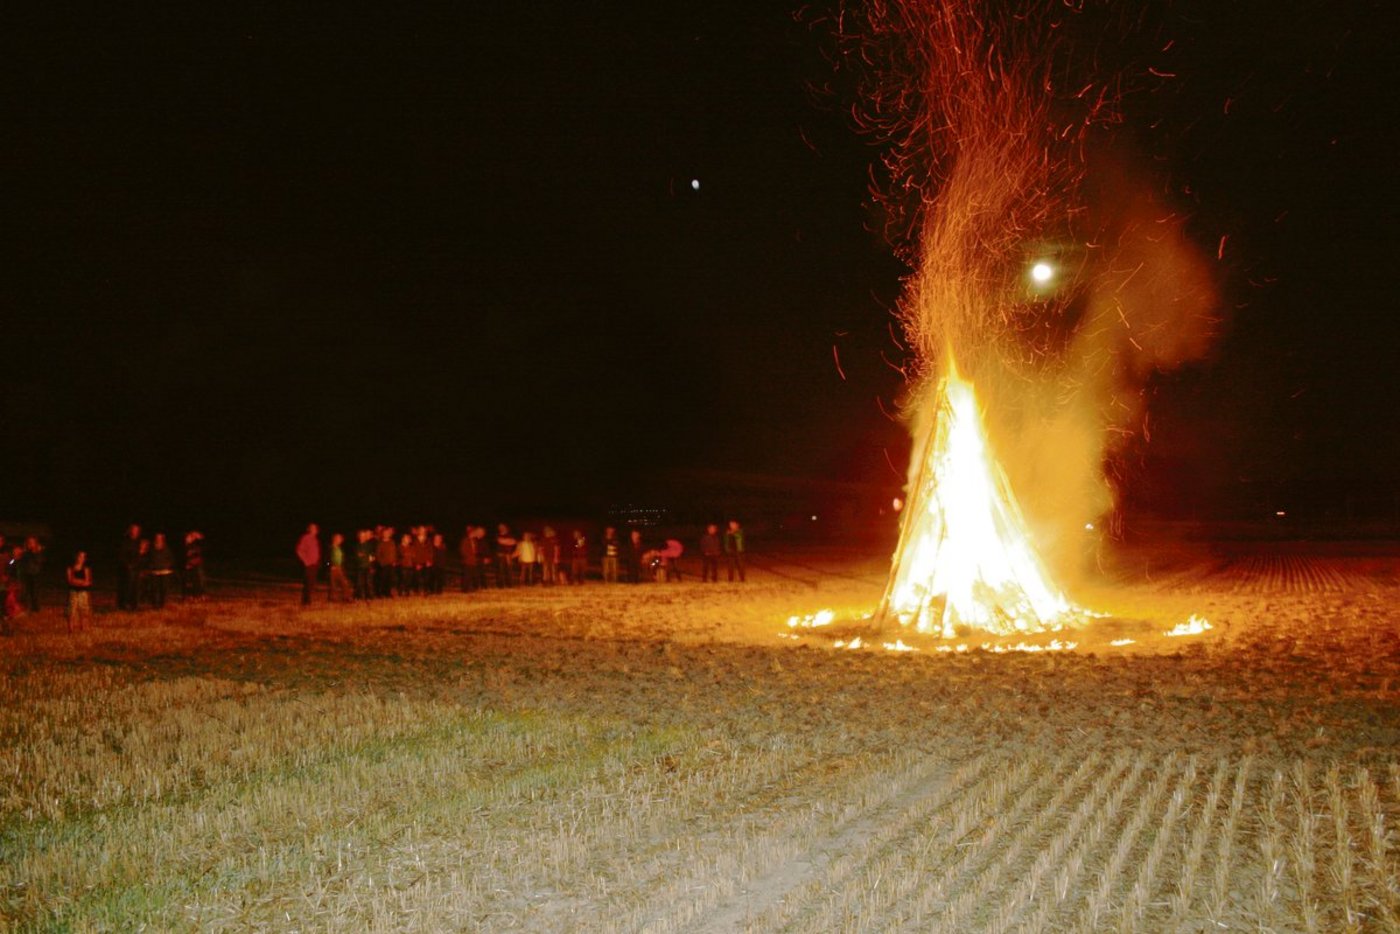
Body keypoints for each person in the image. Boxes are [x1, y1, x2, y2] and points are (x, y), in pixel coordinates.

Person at [66, 551, 93, 632]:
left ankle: (83, 627)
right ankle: (71, 628)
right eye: (80, 557)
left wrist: (78, 582)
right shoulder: (70, 568)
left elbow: (88, 582)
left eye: (83, 557)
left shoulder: (86, 569)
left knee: (84, 610)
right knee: (71, 610)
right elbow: (70, 580)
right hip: (73, 592)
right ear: (76, 557)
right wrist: (81, 582)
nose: (81, 559)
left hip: (83, 593)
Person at [117, 524, 142, 611]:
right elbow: (121, 555)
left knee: (136, 587)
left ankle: (134, 604)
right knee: (127, 587)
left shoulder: (139, 542)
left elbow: (142, 554)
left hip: (137, 568)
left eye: (137, 530)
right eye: (133, 529)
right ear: (130, 530)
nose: (135, 532)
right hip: (127, 568)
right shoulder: (125, 541)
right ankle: (124, 604)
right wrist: (127, 565)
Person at [148, 533, 176, 608]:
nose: (158, 539)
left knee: (163, 589)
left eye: (160, 538)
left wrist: (167, 565)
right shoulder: (151, 548)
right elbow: (149, 559)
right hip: (155, 572)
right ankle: (154, 604)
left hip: (164, 572)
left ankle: (161, 604)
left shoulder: (166, 548)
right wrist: (151, 566)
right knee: (154, 589)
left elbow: (171, 559)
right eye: (157, 538)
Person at [296, 523, 321, 606]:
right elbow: (299, 550)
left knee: (311, 583)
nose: (314, 530)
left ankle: (308, 600)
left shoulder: (315, 539)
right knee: (308, 583)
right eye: (312, 528)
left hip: (314, 564)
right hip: (309, 564)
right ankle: (305, 602)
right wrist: (306, 561)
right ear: (309, 529)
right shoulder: (306, 538)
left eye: (315, 528)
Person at [19, 537, 44, 613]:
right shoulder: (26, 553)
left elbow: (39, 561)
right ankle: (27, 606)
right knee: (26, 591)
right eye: (29, 542)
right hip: (26, 573)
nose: (30, 544)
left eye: (32, 542)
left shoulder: (38, 552)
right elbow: (21, 561)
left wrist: (35, 552)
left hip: (35, 574)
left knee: (35, 591)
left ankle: (35, 607)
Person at [327, 532, 352, 602]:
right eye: (338, 538)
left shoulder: (339, 548)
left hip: (340, 568)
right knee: (333, 584)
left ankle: (347, 597)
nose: (340, 540)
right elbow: (326, 560)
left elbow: (342, 559)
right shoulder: (330, 548)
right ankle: (333, 598)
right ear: (334, 539)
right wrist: (330, 566)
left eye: (340, 539)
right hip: (333, 569)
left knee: (344, 583)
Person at [182, 530, 206, 599]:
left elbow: (201, 550)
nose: (190, 538)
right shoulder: (186, 546)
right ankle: (191, 595)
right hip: (190, 565)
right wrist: (187, 563)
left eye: (191, 537)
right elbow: (186, 555)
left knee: (199, 580)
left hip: (197, 564)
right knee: (190, 581)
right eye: (189, 537)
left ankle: (200, 594)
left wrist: (198, 537)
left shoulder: (196, 544)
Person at [374, 527, 397, 597]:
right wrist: (381, 563)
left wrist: (394, 560)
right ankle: (380, 593)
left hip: (391, 564)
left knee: (390, 579)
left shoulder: (392, 542)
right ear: (382, 534)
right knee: (382, 579)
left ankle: (388, 593)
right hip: (383, 565)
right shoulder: (380, 543)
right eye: (385, 533)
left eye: (388, 533)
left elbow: (394, 552)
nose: (386, 534)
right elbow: (377, 554)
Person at [354, 529, 376, 600]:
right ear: (358, 536)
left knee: (368, 582)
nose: (362, 537)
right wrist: (361, 556)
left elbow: (372, 555)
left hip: (368, 566)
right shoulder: (357, 545)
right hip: (360, 566)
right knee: (359, 582)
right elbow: (357, 555)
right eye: (361, 536)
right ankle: (359, 595)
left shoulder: (369, 545)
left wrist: (371, 561)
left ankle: (369, 596)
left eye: (364, 536)